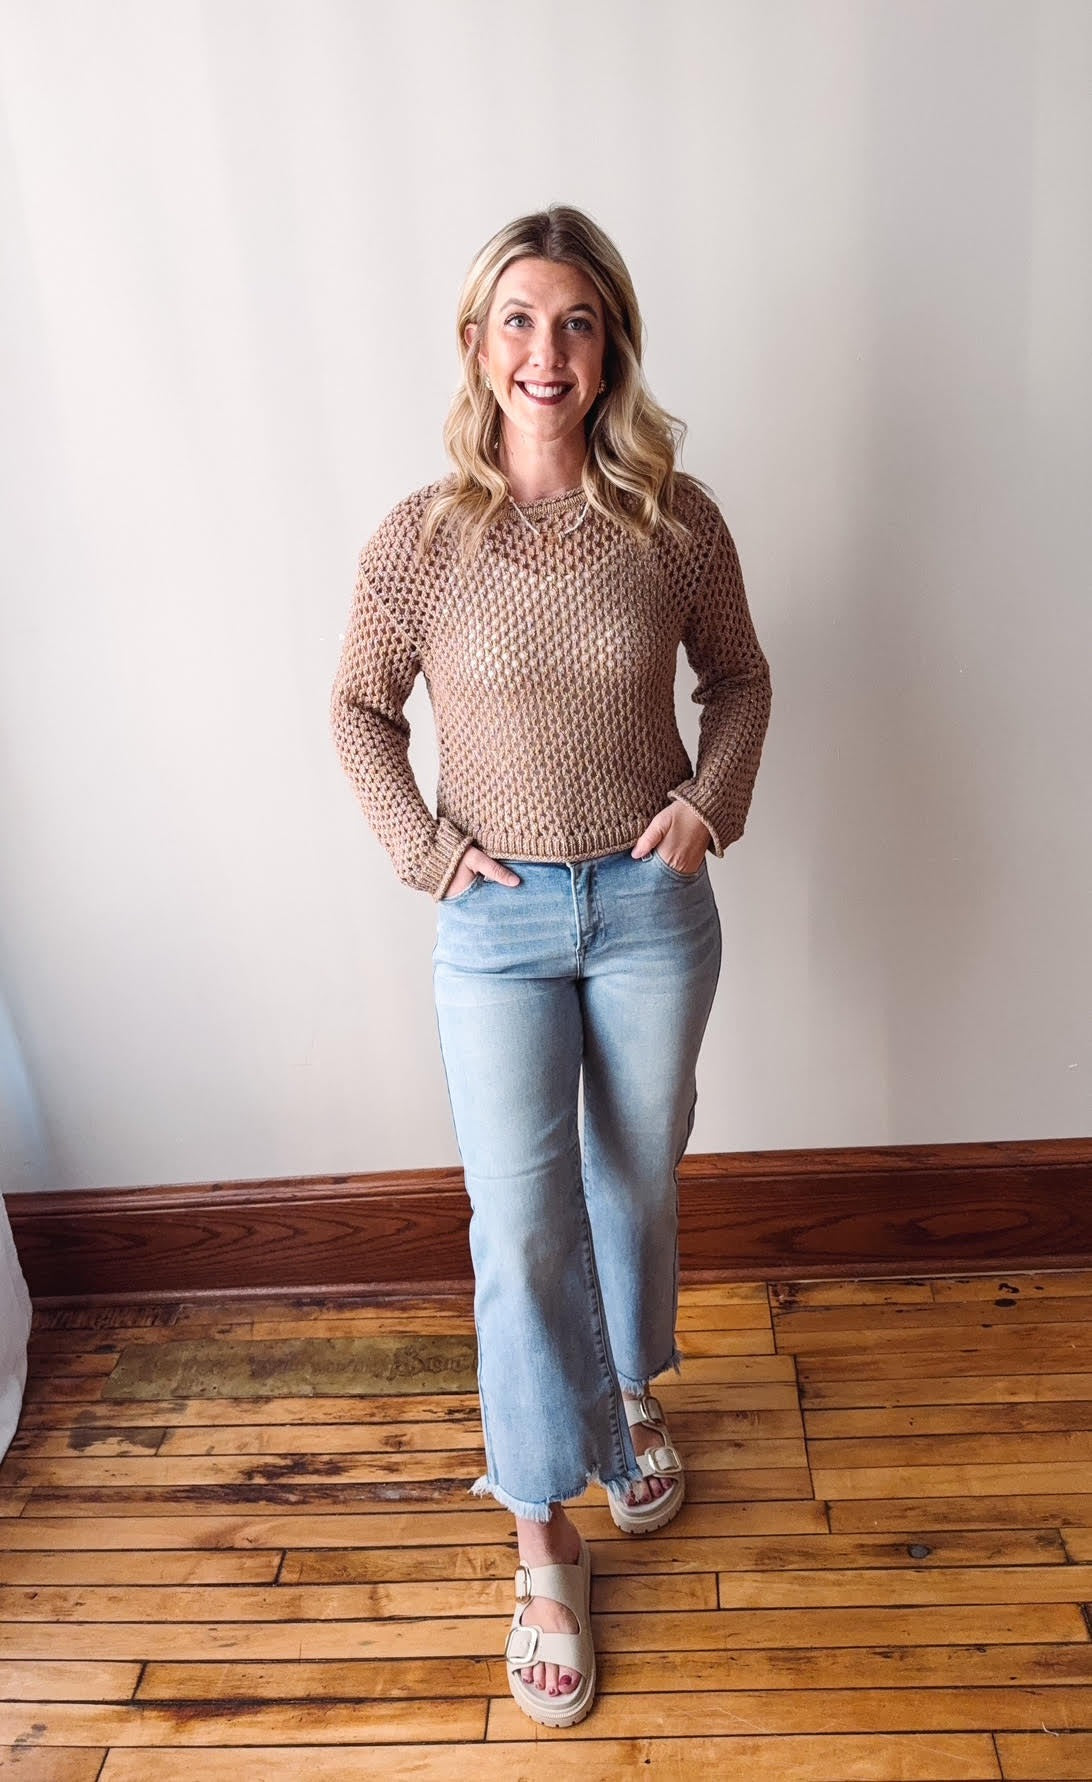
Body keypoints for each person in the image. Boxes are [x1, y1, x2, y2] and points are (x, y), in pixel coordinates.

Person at [331, 205, 771, 1728]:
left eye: (575, 321)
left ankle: (626, 1393)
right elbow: (356, 710)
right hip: (498, 922)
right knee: (518, 1227)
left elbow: (743, 676)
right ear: (478, 345)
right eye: (518, 319)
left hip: (649, 909)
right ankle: (540, 1534)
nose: (546, 350)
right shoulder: (424, 536)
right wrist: (426, 848)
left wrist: (709, 807)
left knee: (635, 1182)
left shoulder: (674, 516)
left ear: (611, 345)